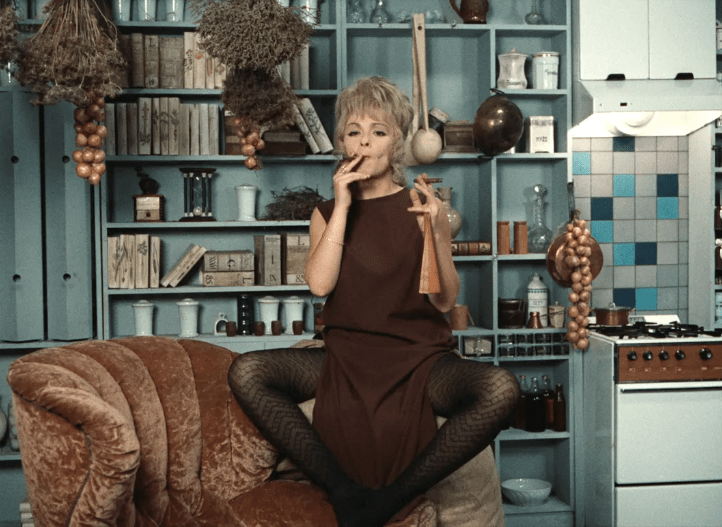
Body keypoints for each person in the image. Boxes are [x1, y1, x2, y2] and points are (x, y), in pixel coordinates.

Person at [228, 76, 520, 527]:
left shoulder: (425, 207)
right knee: (247, 372)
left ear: (397, 144)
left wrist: (433, 232)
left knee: (501, 389)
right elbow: (319, 285)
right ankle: (340, 487)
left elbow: (445, 301)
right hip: (345, 357)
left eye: (378, 131)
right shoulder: (326, 212)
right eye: (354, 131)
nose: (364, 141)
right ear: (342, 143)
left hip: (419, 359)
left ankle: (390, 499)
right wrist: (343, 205)